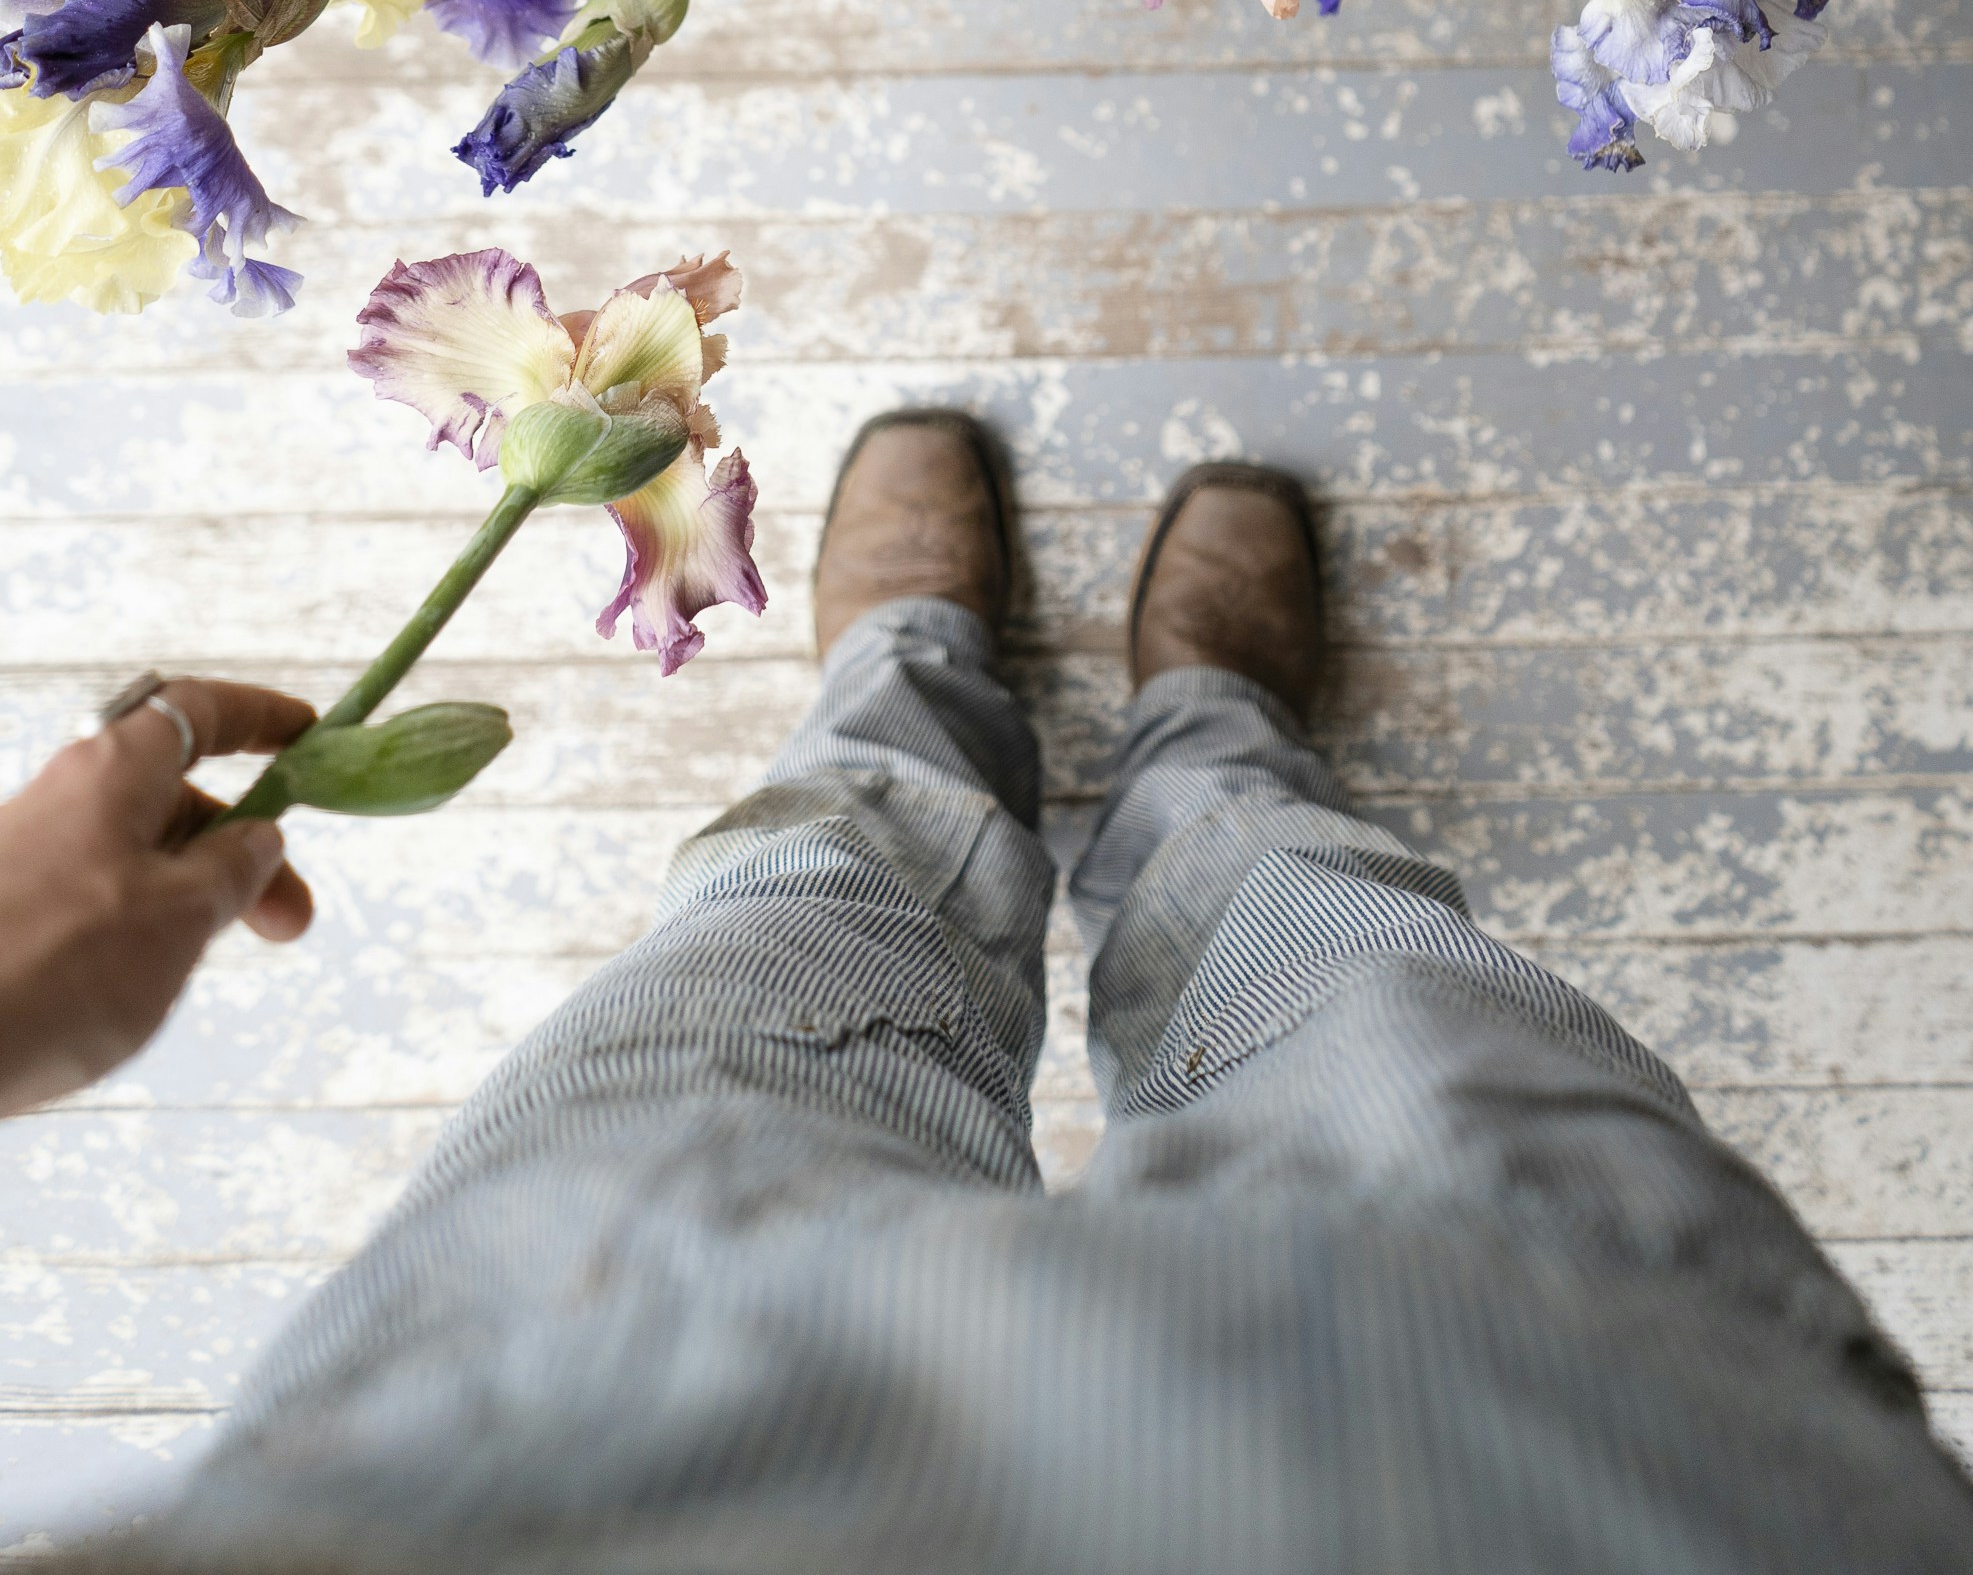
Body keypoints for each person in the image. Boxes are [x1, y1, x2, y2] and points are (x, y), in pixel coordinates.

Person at [13, 415, 1972, 1572]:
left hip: (507, 1459)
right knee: (1362, 988)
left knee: (779, 950)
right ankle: (1215, 753)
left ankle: (911, 713)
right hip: (1562, 1449)